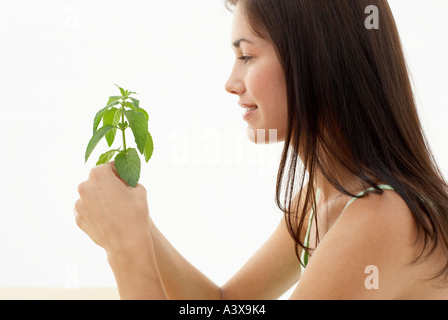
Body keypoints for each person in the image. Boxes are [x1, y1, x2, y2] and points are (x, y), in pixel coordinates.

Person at [74, 0, 448, 299]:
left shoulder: (382, 218)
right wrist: (137, 224)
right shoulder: (317, 202)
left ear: (315, 60)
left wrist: (125, 248)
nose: (230, 83)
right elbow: (226, 303)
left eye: (247, 56)